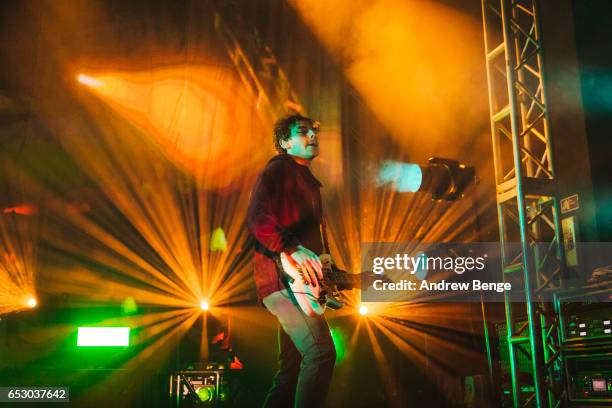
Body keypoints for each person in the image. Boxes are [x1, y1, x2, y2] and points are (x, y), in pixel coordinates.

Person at [246, 114, 336, 408]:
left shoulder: (309, 183)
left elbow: (311, 244)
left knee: (291, 370)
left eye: (314, 130)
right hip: (281, 280)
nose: (313, 135)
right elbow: (258, 217)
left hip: (296, 282)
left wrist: (335, 274)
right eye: (303, 131)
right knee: (321, 353)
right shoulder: (278, 171)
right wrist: (288, 247)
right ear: (285, 142)